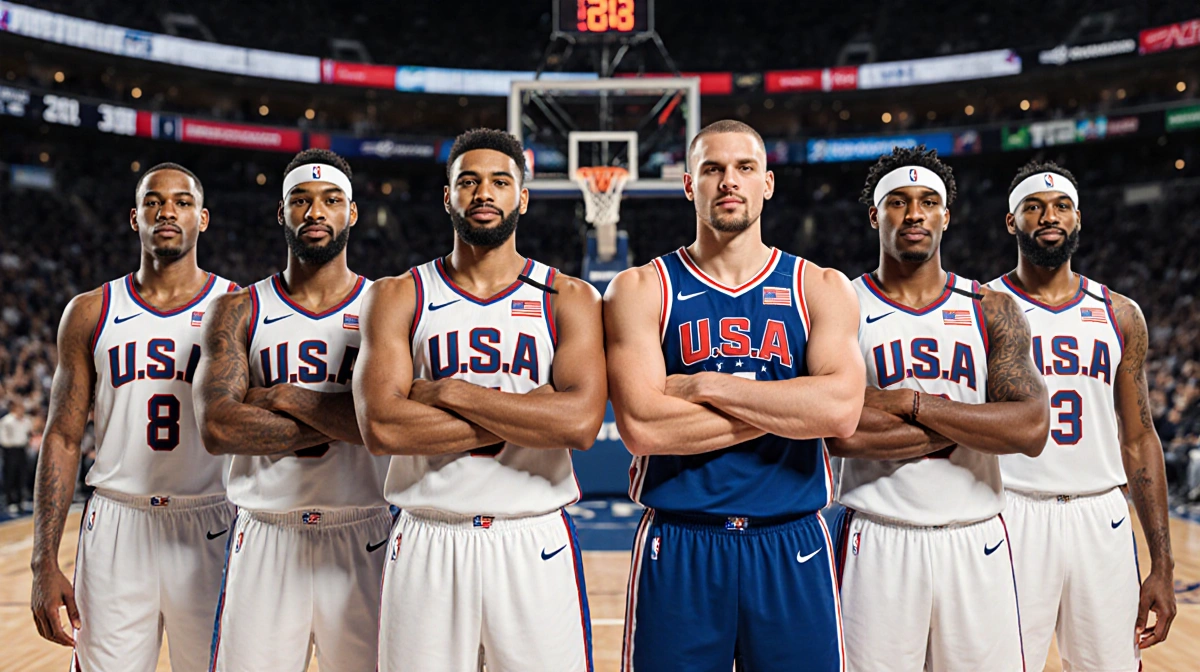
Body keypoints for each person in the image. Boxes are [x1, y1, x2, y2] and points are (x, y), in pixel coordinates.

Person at [605, 119, 865, 671]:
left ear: (767, 183)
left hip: (791, 541)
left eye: (745, 168)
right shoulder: (640, 288)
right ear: (688, 184)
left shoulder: (819, 286)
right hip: (680, 542)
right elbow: (645, 427)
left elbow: (841, 412)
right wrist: (793, 406)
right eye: (713, 169)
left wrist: (705, 386)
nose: (729, 182)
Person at [355, 128, 606, 672]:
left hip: (532, 536)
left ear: (523, 197)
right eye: (468, 182)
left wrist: (450, 393)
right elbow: (382, 429)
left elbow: (581, 423)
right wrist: (532, 409)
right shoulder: (399, 294)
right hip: (428, 534)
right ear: (448, 197)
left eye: (499, 181)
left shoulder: (569, 296)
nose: (483, 193)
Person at [830, 145, 1050, 672]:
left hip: (976, 538)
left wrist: (910, 402)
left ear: (946, 215)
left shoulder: (990, 308)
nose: (914, 214)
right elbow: (837, 431)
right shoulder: (840, 303)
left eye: (928, 201)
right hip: (877, 536)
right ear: (874, 215)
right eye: (898, 202)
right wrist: (973, 423)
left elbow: (1030, 426)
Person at [30, 163, 237, 671]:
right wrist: (43, 561)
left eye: (182, 202)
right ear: (134, 217)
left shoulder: (238, 307)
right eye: (154, 201)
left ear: (203, 218)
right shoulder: (91, 310)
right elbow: (61, 437)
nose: (167, 211)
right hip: (118, 522)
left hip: (212, 518)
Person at [195, 149, 390, 671]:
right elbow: (217, 426)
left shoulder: (388, 305)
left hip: (363, 531)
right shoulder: (238, 307)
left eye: (330, 200)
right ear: (281, 213)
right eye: (300, 200)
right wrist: (348, 419)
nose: (314, 212)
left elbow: (385, 425)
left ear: (351, 213)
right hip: (265, 532)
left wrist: (281, 395)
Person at [986, 160, 1175, 669]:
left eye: (1062, 206)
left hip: (1100, 515)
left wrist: (1162, 563)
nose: (1050, 216)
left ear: (1078, 218)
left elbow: (1139, 438)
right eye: (1034, 206)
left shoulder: (1120, 313)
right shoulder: (980, 308)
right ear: (1011, 221)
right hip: (1011, 510)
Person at [1, 399, 33, 511]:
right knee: (11, 476)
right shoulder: (7, 421)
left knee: (22, 475)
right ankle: (10, 501)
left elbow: (29, 433)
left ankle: (21, 500)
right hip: (10, 450)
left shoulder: (26, 421)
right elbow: (3, 437)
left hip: (22, 449)